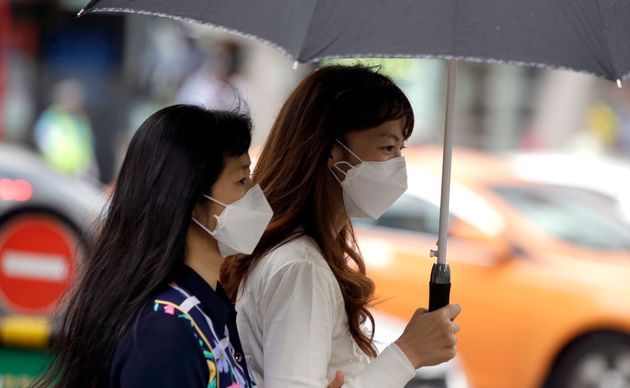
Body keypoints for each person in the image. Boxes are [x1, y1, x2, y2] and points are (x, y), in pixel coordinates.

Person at [221, 65, 461, 387]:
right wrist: (408, 353)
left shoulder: (301, 257)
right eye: (387, 147)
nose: (397, 166)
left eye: (400, 150)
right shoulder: (300, 268)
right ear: (332, 150)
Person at [36, 105, 271, 387]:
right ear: (191, 200)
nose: (254, 194)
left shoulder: (204, 308)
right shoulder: (165, 334)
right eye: (241, 180)